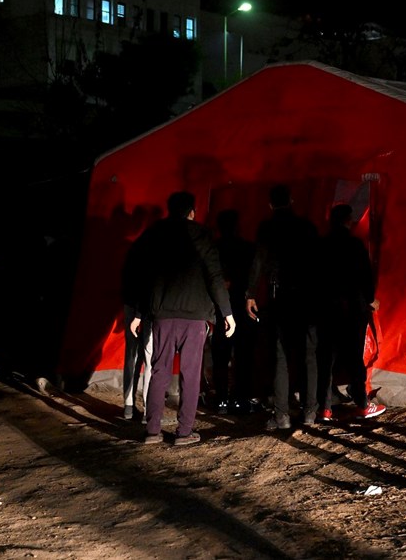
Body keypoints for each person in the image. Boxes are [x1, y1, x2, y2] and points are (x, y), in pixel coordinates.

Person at [122, 190, 236, 446]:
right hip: (194, 317)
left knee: (159, 370)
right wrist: (226, 312)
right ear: (192, 211)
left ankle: (152, 430)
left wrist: (140, 313)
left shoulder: (155, 233)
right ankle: (184, 432)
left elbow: (146, 275)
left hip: (162, 313)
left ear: (169, 209)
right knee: (190, 374)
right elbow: (215, 276)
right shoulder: (203, 235)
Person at [245, 184, 320, 430]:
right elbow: (319, 263)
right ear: (292, 199)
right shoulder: (307, 227)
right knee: (308, 355)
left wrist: (251, 294)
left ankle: (282, 415)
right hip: (308, 297)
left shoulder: (267, 228)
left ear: (270, 204)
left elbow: (258, 261)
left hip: (280, 298)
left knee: (280, 356)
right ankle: (310, 411)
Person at [316, 203, 386, 421]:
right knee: (355, 358)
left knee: (326, 359)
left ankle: (324, 408)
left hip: (327, 309)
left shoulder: (322, 245)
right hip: (352, 309)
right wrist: (370, 299)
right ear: (348, 221)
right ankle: (363, 405)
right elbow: (364, 276)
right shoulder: (355, 245)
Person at [210, 209, 258, 415]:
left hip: (221, 307)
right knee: (243, 354)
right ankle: (241, 399)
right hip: (243, 306)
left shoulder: (214, 248)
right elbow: (253, 277)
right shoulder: (248, 248)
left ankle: (221, 398)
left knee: (220, 355)